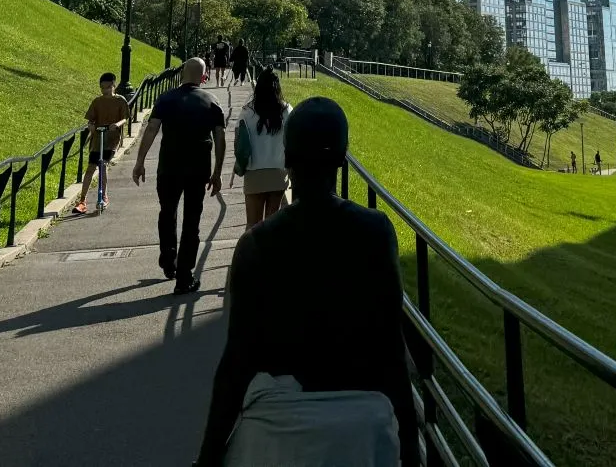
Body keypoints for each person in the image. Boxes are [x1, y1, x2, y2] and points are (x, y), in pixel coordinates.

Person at [197, 98, 418, 467]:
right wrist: (410, 449)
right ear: (342, 160)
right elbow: (391, 348)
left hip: (275, 436)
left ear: (287, 157)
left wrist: (206, 458)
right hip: (363, 432)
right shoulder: (376, 232)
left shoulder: (255, 245)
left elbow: (236, 364)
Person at [131, 57, 225, 293]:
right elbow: (220, 139)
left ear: (183, 73)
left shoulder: (166, 99)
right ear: (203, 76)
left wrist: (140, 162)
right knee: (192, 221)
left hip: (169, 166)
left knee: (167, 212)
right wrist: (217, 172)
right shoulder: (212, 102)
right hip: (198, 169)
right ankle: (185, 276)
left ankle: (168, 261)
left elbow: (152, 128)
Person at [236, 66, 291, 227]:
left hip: (254, 173)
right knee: (272, 227)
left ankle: (251, 252)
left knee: (253, 225)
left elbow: (239, 141)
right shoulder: (286, 110)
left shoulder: (247, 112)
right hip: (278, 172)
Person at [76, 72, 128, 215]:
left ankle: (104, 196)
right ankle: (82, 201)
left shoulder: (120, 101)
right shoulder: (97, 102)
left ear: (114, 86)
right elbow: (90, 120)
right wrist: (91, 125)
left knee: (103, 165)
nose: (105, 91)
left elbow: (124, 118)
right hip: (97, 139)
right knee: (90, 169)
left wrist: (116, 124)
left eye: (107, 87)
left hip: (111, 140)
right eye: (102, 88)